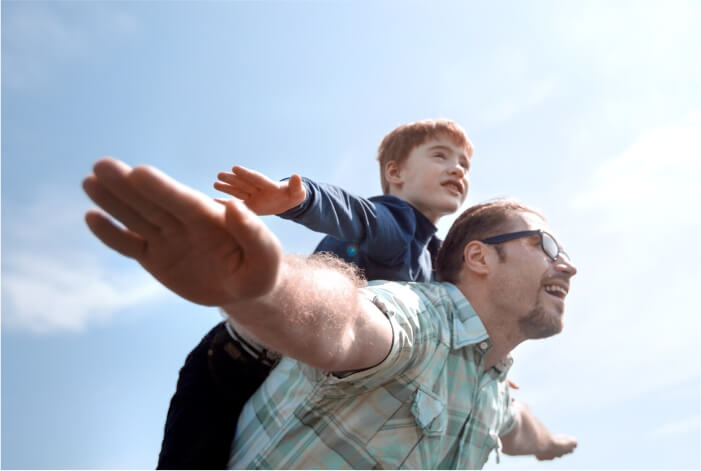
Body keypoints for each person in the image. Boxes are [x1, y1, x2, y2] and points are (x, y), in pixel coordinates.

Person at [83, 157, 578, 469]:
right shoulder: (420, 312)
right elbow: (349, 316)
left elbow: (517, 428)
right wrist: (265, 283)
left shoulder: (491, 392)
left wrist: (550, 443)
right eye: (548, 245)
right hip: (241, 347)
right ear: (479, 257)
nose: (569, 265)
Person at [158, 119, 473, 468]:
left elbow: (464, 306)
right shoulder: (396, 224)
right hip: (239, 364)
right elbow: (357, 214)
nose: (457, 169)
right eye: (441, 156)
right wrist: (300, 197)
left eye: (464, 163)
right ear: (395, 173)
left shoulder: (435, 257)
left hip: (294, 382)